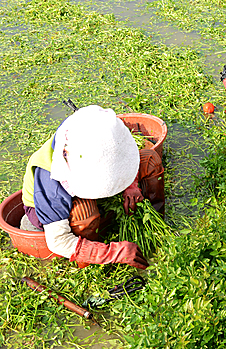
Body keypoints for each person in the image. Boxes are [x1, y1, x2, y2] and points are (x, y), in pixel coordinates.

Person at [20, 105, 154, 269]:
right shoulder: (52, 186)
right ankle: (86, 260)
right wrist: (113, 253)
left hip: (82, 178)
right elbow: (58, 241)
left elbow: (121, 155)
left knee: (150, 160)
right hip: (46, 208)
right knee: (83, 215)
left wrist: (132, 186)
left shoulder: (88, 133)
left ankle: (152, 227)